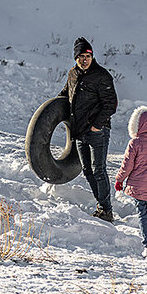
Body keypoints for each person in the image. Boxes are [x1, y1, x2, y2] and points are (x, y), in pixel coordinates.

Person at [59, 37, 118, 222]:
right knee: (87, 170)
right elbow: (65, 95)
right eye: (81, 56)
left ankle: (106, 209)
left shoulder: (101, 76)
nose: (85, 59)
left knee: (99, 169)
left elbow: (111, 104)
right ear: (75, 58)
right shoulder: (72, 74)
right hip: (79, 131)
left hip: (97, 131)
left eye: (88, 56)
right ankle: (101, 205)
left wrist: (96, 125)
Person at [114, 106, 147, 258]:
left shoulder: (134, 143)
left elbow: (127, 165)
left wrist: (119, 180)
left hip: (138, 188)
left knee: (142, 216)